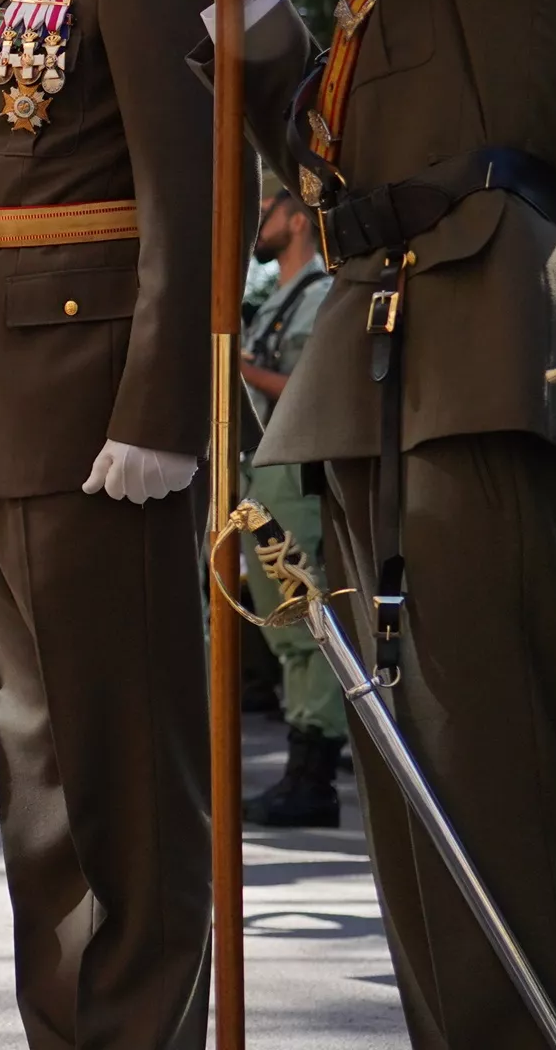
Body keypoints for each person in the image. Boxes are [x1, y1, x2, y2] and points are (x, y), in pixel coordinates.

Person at [34, 0, 556, 1050]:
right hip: (404, 340)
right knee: (414, 784)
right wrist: (259, 27)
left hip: (489, 347)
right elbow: (341, 173)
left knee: (495, 790)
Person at [0, 0, 221, 1048]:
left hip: (92, 409)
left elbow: (186, 172)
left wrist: (161, 406)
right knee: (42, 792)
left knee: (126, 789)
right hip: (0, 400)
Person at [238, 180, 342, 829]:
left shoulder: (324, 292)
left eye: (264, 210)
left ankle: (315, 774)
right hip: (266, 470)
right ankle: (303, 759)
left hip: (298, 468)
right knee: (282, 619)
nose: (256, 224)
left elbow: (314, 387)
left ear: (297, 219)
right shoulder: (277, 295)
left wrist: (237, 365)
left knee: (306, 615)